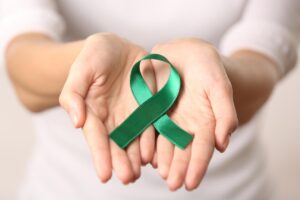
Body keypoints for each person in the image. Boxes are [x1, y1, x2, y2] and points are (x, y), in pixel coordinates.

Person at [1, 0, 299, 199]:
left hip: (233, 191)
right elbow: (22, 57)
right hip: (64, 189)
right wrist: (84, 62)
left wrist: (216, 72)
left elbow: (265, 55)